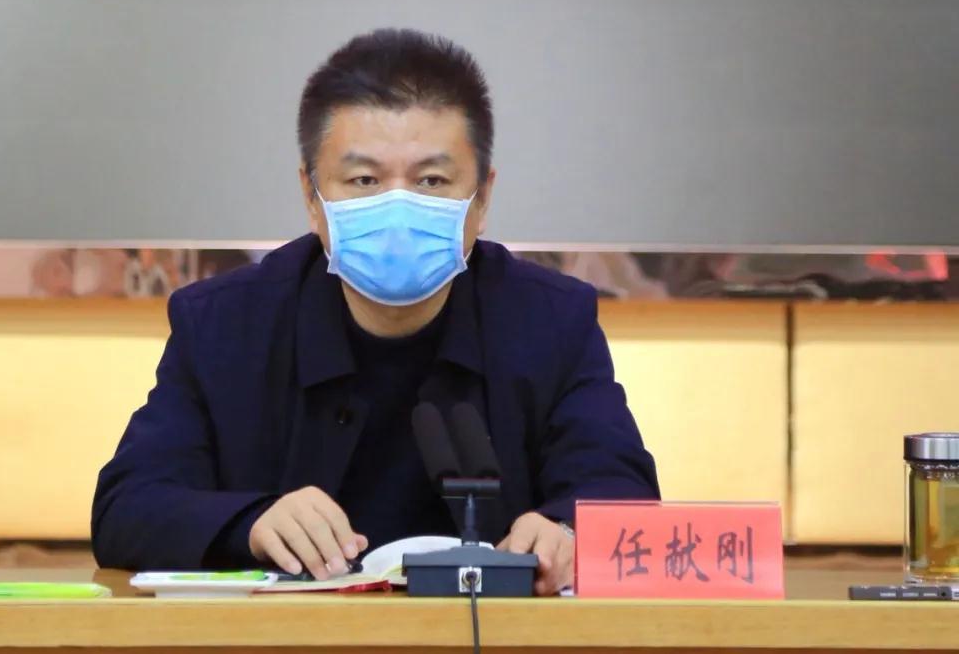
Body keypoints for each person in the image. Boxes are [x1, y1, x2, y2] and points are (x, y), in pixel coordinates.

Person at [91, 29, 659, 595]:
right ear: (312, 197)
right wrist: (251, 524)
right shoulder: (223, 325)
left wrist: (566, 533)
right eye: (364, 180)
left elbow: (623, 495)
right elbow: (127, 508)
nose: (397, 207)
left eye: (431, 180)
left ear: (482, 198)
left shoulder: (552, 321)